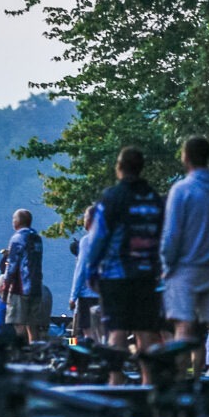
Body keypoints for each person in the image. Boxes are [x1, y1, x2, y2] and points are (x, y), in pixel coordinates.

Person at [161, 135, 209, 373]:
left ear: (186, 157)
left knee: (183, 326)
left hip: (186, 268)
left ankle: (179, 380)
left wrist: (166, 265)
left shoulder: (182, 190)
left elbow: (171, 234)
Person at [85, 148, 168, 355]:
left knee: (117, 331)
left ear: (119, 168)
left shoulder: (112, 197)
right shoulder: (154, 198)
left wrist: (91, 269)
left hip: (116, 274)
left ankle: (116, 380)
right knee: (146, 332)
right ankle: (149, 381)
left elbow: (98, 237)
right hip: (148, 274)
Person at [2, 209, 49, 344]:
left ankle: (20, 352)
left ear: (18, 221)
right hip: (36, 286)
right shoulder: (37, 238)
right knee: (32, 325)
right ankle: (34, 350)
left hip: (21, 288)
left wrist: (5, 289)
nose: (12, 222)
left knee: (18, 322)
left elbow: (12, 266)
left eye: (13, 219)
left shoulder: (18, 238)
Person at [68, 199, 104, 342]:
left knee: (85, 330)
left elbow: (81, 269)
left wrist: (73, 296)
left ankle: (87, 357)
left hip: (87, 293)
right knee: (103, 331)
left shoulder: (86, 241)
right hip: (106, 292)